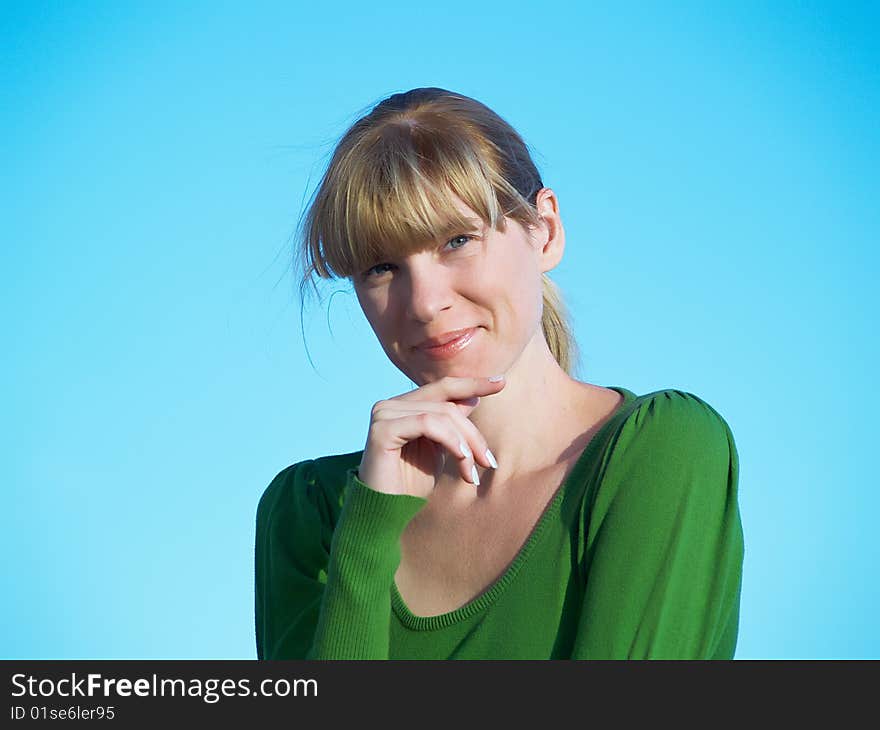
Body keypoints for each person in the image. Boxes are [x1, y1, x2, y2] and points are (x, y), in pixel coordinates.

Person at [254, 87, 744, 660]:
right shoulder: (309, 513)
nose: (424, 303)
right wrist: (365, 538)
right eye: (381, 267)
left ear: (546, 231)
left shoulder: (660, 451)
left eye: (457, 240)